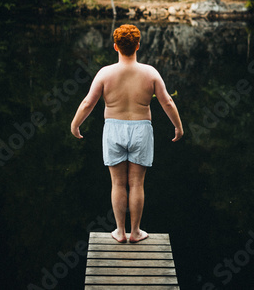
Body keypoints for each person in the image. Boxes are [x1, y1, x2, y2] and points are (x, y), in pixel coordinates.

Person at [71, 24, 184, 243]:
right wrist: (178, 126)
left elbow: (87, 103)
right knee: (137, 184)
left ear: (115, 47)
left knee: (117, 184)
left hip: (113, 129)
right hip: (141, 129)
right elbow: (167, 102)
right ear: (138, 46)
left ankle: (120, 232)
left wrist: (75, 125)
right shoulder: (150, 73)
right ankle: (136, 232)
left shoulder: (105, 73)